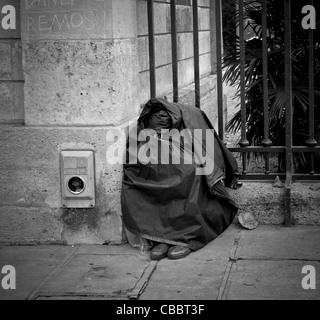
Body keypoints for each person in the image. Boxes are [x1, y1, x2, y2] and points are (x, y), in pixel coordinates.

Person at [121, 98, 240, 261]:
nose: (159, 135)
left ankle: (185, 237)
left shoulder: (187, 121)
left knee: (190, 172)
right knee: (149, 174)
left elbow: (203, 150)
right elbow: (133, 161)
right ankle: (160, 236)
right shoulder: (142, 131)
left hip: (184, 159)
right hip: (159, 159)